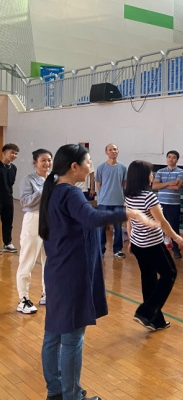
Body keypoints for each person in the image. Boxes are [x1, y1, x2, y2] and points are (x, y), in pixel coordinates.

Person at [39, 144, 157, 400]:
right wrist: (130, 212)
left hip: (58, 271)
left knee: (53, 334)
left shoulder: (54, 190)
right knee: (72, 338)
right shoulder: (71, 192)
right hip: (72, 274)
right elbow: (92, 218)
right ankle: (72, 396)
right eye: (88, 162)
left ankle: (56, 391)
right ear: (74, 166)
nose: (90, 166)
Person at [125, 160, 183, 331]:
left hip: (138, 244)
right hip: (152, 244)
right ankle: (145, 311)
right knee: (169, 273)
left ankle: (155, 321)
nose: (152, 175)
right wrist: (176, 237)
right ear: (144, 176)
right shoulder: (148, 196)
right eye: (150, 173)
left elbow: (129, 220)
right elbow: (162, 222)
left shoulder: (129, 195)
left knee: (148, 278)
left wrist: (131, 240)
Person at [16, 148, 52, 314]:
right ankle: (23, 299)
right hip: (34, 219)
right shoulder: (28, 180)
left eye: (49, 160)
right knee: (27, 260)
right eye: (43, 160)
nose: (47, 163)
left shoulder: (54, 179)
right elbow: (25, 202)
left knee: (49, 260)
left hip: (51, 221)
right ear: (35, 162)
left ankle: (47, 293)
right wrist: (43, 190)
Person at [95, 143, 127, 258]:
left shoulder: (123, 167)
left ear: (118, 151)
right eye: (110, 150)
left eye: (115, 149)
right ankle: (101, 250)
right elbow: (98, 185)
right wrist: (104, 195)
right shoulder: (101, 168)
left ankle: (117, 250)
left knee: (118, 227)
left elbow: (124, 184)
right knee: (101, 228)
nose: (113, 151)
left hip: (118, 202)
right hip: (103, 203)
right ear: (106, 152)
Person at [152, 150, 183, 259]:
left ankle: (176, 250)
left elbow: (177, 187)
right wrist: (169, 183)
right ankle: (160, 249)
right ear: (166, 158)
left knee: (174, 227)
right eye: (169, 157)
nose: (171, 159)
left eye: (174, 157)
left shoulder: (181, 172)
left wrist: (162, 184)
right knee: (159, 227)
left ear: (177, 160)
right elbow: (154, 186)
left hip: (173, 204)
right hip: (160, 204)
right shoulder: (160, 171)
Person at [0, 143, 19, 253]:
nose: (14, 155)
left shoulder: (14, 168)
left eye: (16, 154)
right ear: (4, 152)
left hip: (8, 198)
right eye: (12, 153)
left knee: (8, 221)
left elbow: (11, 182)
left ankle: (7, 243)